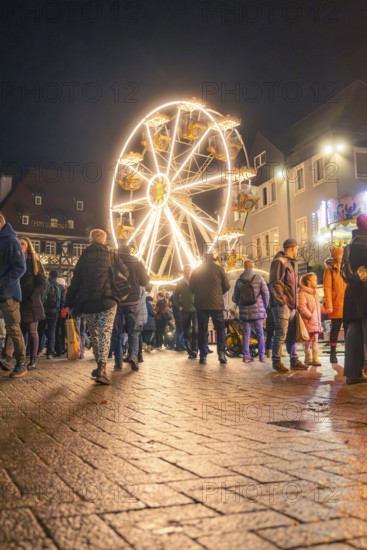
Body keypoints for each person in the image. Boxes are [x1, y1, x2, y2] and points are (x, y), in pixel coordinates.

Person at [66, 229, 128, 384]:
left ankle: (99, 366)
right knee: (105, 334)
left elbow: (75, 283)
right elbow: (125, 271)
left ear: (90, 240)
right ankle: (102, 368)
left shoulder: (84, 257)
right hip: (108, 300)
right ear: (104, 240)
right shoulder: (111, 255)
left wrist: (68, 303)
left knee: (94, 335)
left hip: (88, 303)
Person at [269, 238, 308, 373]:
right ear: (291, 248)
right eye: (296, 248)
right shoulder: (279, 262)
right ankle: (276, 361)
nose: (297, 251)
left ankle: (294, 360)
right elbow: (276, 283)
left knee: (291, 334)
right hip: (283, 305)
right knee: (281, 333)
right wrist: (282, 302)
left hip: (290, 305)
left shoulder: (288, 263)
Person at [113, 240, 149, 371]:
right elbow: (145, 281)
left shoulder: (113, 262)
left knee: (117, 332)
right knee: (133, 331)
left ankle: (118, 361)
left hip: (117, 301)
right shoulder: (137, 262)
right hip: (133, 300)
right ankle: (133, 356)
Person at [189, 252, 230, 365]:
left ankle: (203, 356)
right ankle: (221, 353)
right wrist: (217, 293)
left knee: (202, 329)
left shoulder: (197, 270)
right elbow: (227, 286)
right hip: (216, 304)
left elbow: (191, 287)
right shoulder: (219, 269)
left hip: (201, 304)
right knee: (220, 329)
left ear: (203, 259)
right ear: (214, 259)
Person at [0, 213, 27, 378]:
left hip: (8, 293)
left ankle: (21, 363)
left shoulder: (11, 241)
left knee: (13, 328)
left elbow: (20, 268)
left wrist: (2, 283)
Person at [343, 214, 367, 384]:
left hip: (352, 293)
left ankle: (353, 373)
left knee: (354, 331)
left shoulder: (349, 245)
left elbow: (343, 271)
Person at [18, 237, 47, 370]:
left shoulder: (35, 262)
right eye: (18, 243)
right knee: (19, 332)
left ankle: (33, 359)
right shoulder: (14, 261)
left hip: (32, 303)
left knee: (32, 331)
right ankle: (20, 359)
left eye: (23, 243)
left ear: (28, 246)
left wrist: (33, 296)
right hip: (18, 301)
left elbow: (42, 283)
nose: (20, 245)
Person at [232, 259, 269, 363]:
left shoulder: (239, 281)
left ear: (244, 267)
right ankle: (262, 355)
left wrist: (241, 304)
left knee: (246, 333)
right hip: (258, 311)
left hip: (244, 311)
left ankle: (246, 355)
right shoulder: (259, 278)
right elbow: (266, 294)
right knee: (260, 333)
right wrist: (264, 307)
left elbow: (235, 298)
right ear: (253, 267)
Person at [323, 246, 348, 364]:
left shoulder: (346, 268)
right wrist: (329, 304)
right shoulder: (330, 270)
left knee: (349, 330)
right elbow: (327, 288)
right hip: (337, 304)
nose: (342, 256)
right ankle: (333, 353)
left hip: (348, 304)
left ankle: (349, 352)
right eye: (340, 254)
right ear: (336, 255)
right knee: (335, 330)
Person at [298, 272, 324, 366]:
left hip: (315, 321)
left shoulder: (315, 293)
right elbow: (302, 307)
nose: (316, 282)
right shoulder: (302, 293)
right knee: (307, 340)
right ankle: (307, 357)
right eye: (315, 280)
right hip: (308, 321)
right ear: (309, 281)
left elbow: (317, 307)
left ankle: (315, 358)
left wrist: (323, 311)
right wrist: (310, 316)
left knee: (315, 339)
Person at [172, 264, 198, 359]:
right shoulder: (180, 283)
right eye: (186, 270)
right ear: (183, 272)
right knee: (186, 331)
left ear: (191, 271)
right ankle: (190, 350)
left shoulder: (196, 281)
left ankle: (195, 350)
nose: (187, 272)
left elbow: (200, 293)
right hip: (185, 310)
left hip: (195, 309)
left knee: (195, 330)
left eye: (189, 270)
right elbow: (175, 296)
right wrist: (179, 305)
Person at [40, 270, 65, 359]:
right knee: (52, 331)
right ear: (57, 277)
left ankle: (36, 351)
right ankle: (50, 352)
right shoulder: (61, 287)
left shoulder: (44, 285)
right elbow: (62, 302)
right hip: (54, 312)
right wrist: (58, 310)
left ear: (49, 275)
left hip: (43, 311)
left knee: (40, 331)